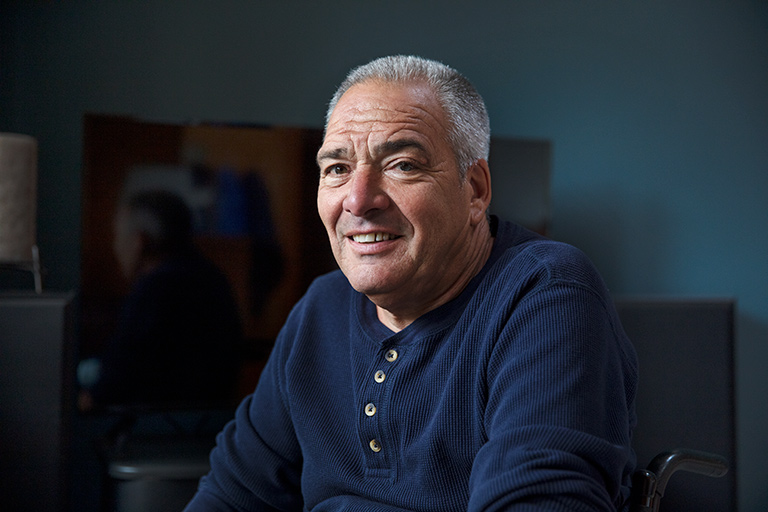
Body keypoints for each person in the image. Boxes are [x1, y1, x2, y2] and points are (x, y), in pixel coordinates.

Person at [184, 55, 638, 511]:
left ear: (475, 189)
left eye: (402, 164)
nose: (358, 200)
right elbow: (231, 496)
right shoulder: (320, 307)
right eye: (337, 169)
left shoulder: (545, 294)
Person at [78, 189, 242, 410]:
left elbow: (114, 382)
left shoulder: (155, 290)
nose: (116, 246)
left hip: (153, 430)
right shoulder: (212, 277)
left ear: (139, 241)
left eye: (118, 236)